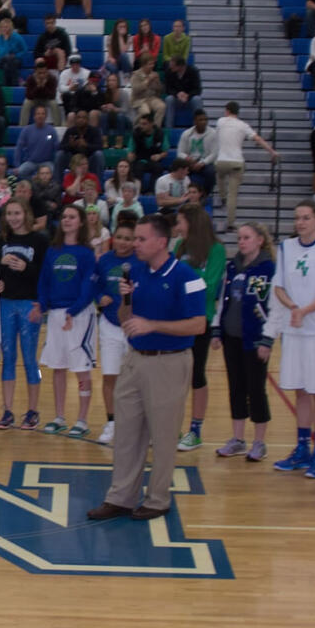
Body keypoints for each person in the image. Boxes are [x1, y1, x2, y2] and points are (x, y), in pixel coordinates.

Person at [87, 213, 207, 521]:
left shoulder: (188, 277)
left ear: (161, 242)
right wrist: (125, 301)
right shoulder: (135, 272)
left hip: (168, 363)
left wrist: (152, 325)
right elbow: (128, 320)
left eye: (141, 239)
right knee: (127, 432)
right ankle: (121, 497)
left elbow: (198, 324)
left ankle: (157, 499)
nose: (134, 244)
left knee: (164, 435)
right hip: (135, 360)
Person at [267, 200, 315, 477]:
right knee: (300, 390)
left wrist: (305, 310)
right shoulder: (286, 248)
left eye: (306, 218)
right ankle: (301, 449)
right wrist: (293, 308)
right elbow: (278, 287)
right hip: (294, 330)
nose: (301, 223)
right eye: (297, 218)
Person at [213, 222, 275, 460]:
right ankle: (238, 438)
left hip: (255, 339)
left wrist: (266, 339)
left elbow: (271, 306)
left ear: (260, 240)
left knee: (256, 389)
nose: (241, 242)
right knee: (236, 387)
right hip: (231, 337)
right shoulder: (232, 266)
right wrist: (217, 330)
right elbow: (223, 299)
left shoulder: (267, 269)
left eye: (247, 237)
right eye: (239, 238)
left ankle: (259, 442)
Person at [38, 205, 98, 438]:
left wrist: (73, 311)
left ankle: (82, 419)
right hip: (55, 315)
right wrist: (42, 305)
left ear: (81, 222)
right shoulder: (53, 250)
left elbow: (88, 287)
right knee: (58, 367)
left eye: (72, 217)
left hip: (79, 316)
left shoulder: (86, 253)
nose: (67, 220)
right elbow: (44, 280)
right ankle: (59, 416)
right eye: (64, 217)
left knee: (81, 369)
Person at [171, 204, 226, 453]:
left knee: (196, 375)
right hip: (177, 319)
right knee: (176, 376)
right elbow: (172, 281)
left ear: (192, 222)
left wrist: (185, 282)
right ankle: (173, 427)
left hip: (200, 319)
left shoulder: (216, 249)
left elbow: (209, 284)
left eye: (180, 221)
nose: (177, 226)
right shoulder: (178, 247)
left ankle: (196, 430)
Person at [0, 197, 47, 431]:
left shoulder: (39, 240)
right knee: (8, 357)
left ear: (26, 214)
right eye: (9, 214)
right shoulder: (3, 240)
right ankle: (7, 411)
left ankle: (33, 411)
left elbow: (45, 275)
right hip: (6, 303)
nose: (13, 218)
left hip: (29, 304)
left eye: (17, 213)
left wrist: (27, 268)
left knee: (29, 358)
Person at [93, 217, 136, 445]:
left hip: (134, 326)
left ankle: (137, 425)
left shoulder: (140, 261)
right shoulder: (104, 260)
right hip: (109, 325)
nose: (122, 242)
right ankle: (112, 423)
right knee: (110, 376)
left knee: (136, 379)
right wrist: (101, 298)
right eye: (119, 237)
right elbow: (96, 287)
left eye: (128, 239)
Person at [214, 101, 279, 231]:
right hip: (237, 162)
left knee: (220, 176)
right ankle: (231, 223)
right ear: (238, 112)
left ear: (227, 111)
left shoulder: (220, 122)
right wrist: (272, 151)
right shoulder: (243, 125)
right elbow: (258, 139)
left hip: (221, 161)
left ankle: (222, 197)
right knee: (233, 194)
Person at [162, 57, 203, 130]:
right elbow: (167, 89)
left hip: (190, 98)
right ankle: (169, 129)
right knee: (169, 99)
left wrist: (188, 95)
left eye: (173, 66)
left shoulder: (193, 71)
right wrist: (177, 94)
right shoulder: (169, 72)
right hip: (177, 98)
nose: (170, 67)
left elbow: (198, 89)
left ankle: (198, 128)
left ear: (181, 66)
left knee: (197, 99)